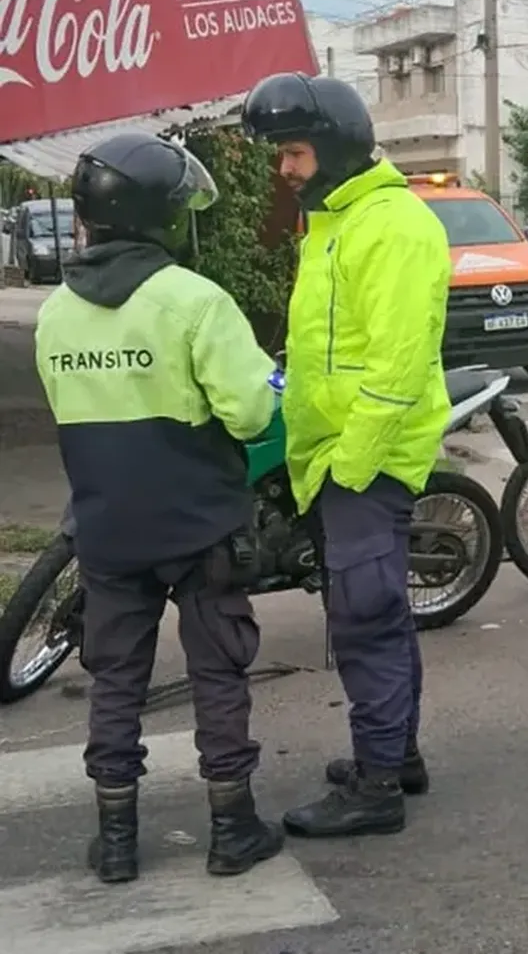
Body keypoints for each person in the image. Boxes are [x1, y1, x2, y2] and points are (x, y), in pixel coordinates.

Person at [34, 131, 284, 884]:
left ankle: (115, 839)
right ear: (161, 216)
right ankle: (232, 827)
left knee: (116, 679)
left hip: (108, 527)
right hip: (200, 521)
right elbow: (248, 414)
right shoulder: (194, 300)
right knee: (217, 672)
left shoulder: (55, 314)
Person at [241, 72, 452, 839]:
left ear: (330, 147)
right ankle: (400, 753)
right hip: (334, 453)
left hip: (365, 457)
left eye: (293, 152)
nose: (285, 169)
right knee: (374, 612)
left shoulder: (392, 224)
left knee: (364, 615)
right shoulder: (335, 221)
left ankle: (376, 786)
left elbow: (395, 367)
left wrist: (348, 465)